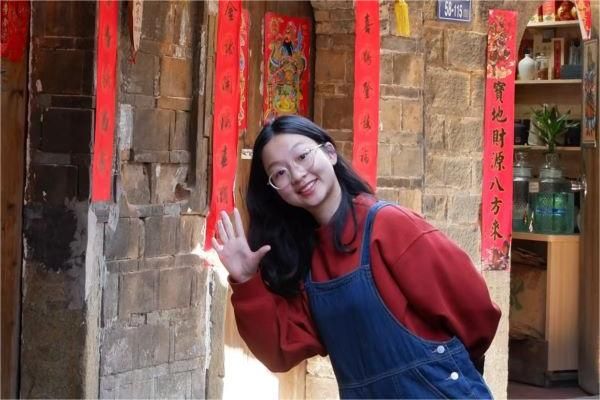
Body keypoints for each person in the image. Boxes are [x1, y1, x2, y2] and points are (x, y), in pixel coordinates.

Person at [211, 115, 501, 399]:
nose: (297, 175)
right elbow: (279, 351)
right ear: (275, 191)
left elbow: (475, 310)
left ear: (329, 153)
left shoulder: (388, 225)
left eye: (302, 156)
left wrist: (444, 370)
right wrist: (245, 279)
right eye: (280, 173)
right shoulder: (308, 262)